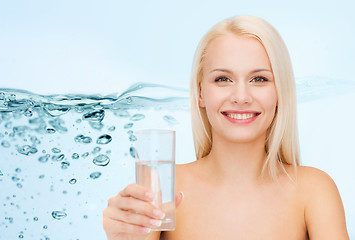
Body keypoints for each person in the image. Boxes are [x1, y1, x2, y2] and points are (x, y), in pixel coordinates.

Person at [102, 15, 349, 239]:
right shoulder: (163, 187)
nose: (241, 96)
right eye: (223, 79)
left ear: (280, 92)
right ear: (200, 92)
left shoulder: (314, 190)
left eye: (259, 79)